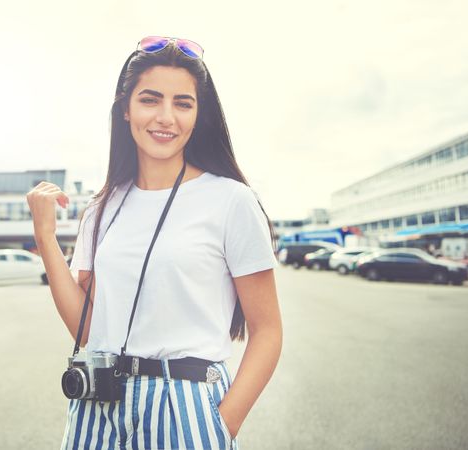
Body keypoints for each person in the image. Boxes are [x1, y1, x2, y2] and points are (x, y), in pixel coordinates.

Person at [27, 36, 282, 450]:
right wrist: (46, 238)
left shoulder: (231, 200)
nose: (166, 117)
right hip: (98, 405)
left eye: (183, 103)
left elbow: (267, 330)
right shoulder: (102, 207)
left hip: (186, 406)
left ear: (199, 116)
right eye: (150, 100)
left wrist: (220, 425)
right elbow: (88, 330)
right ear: (125, 109)